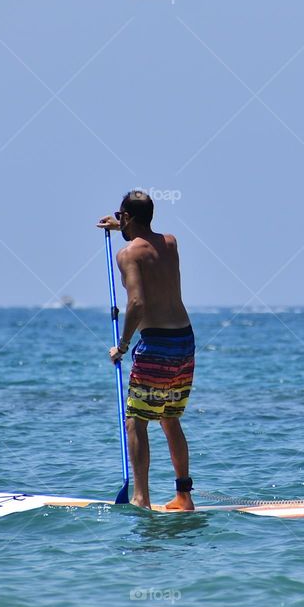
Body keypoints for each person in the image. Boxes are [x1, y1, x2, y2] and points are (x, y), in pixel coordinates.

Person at [96, 190, 195, 511]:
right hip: (184, 340)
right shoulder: (170, 243)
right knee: (169, 418)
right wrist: (120, 225)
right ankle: (184, 497)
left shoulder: (128, 255)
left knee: (135, 421)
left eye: (121, 215)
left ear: (129, 217)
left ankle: (141, 498)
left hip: (156, 345)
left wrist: (122, 346)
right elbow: (146, 239)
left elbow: (136, 303)